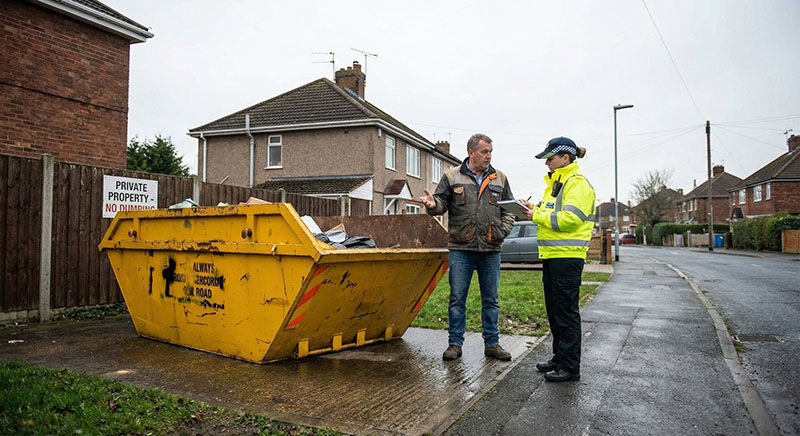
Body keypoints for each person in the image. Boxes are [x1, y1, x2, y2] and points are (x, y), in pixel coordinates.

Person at [418, 133, 516, 361]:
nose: (488, 156)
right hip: (461, 248)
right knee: (457, 298)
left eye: (490, 151)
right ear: (471, 152)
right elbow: (440, 203)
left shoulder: (499, 178)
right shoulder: (452, 176)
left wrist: (501, 231)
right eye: (484, 151)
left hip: (491, 248)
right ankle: (455, 344)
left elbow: (509, 209)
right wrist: (432, 205)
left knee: (491, 299)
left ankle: (492, 344)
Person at [521, 137, 596, 382]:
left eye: (550, 159)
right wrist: (532, 208)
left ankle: (570, 367)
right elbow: (552, 212)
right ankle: (559, 358)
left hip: (568, 257)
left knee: (566, 312)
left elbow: (569, 219)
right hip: (553, 256)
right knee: (555, 311)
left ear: (565, 158)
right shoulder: (557, 183)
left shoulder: (577, 183)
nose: (547, 164)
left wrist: (536, 216)